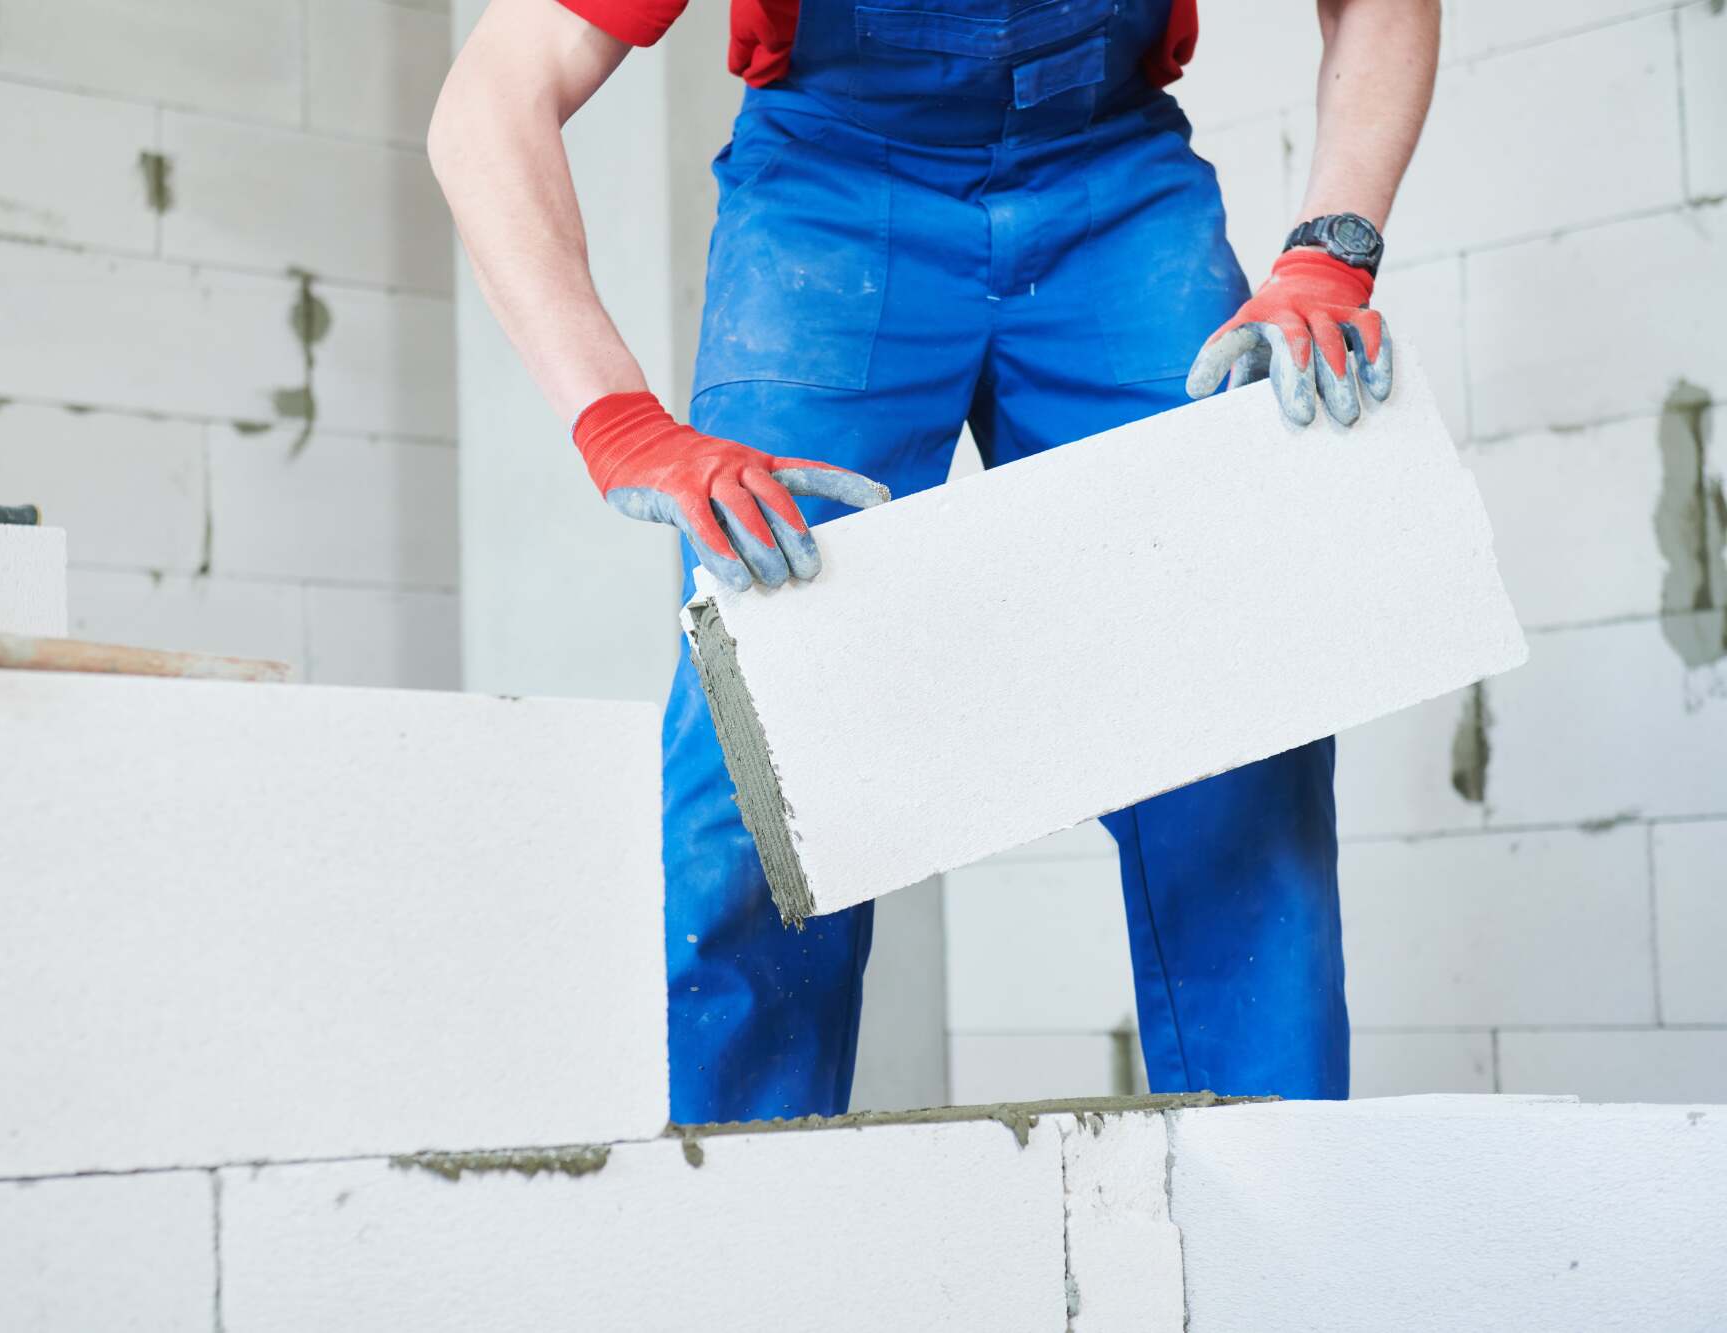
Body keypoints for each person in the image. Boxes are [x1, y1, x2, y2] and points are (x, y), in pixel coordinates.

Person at [430, 0, 1440, 1122]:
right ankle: (732, 1238)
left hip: (1113, 184)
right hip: (831, 199)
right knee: (757, 757)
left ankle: (1278, 1234)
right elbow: (492, 97)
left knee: (1238, 723)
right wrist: (615, 419)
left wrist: (1329, 254)